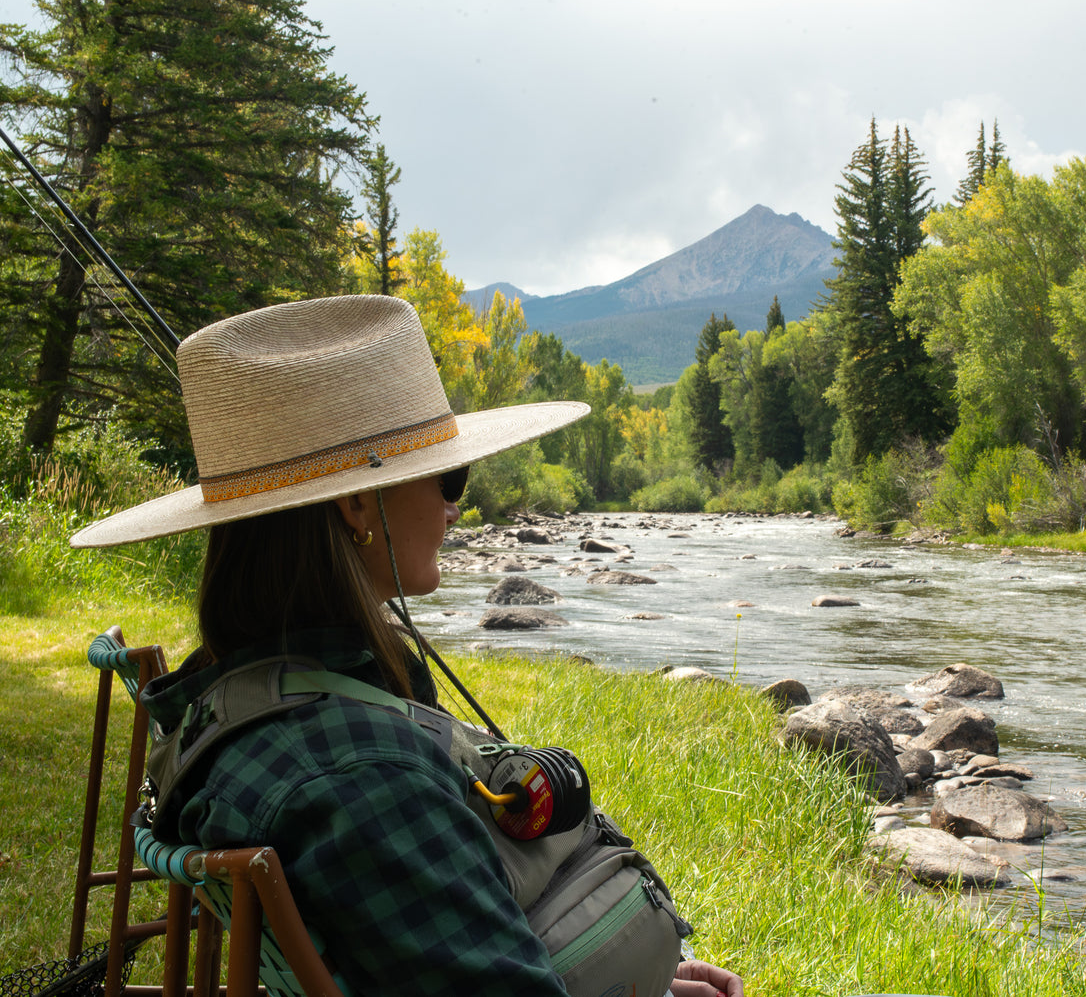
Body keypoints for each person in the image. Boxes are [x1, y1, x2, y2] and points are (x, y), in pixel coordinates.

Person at [71, 294, 743, 997]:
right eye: (449, 477)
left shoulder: (230, 702)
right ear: (358, 507)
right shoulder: (362, 778)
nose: (457, 505)